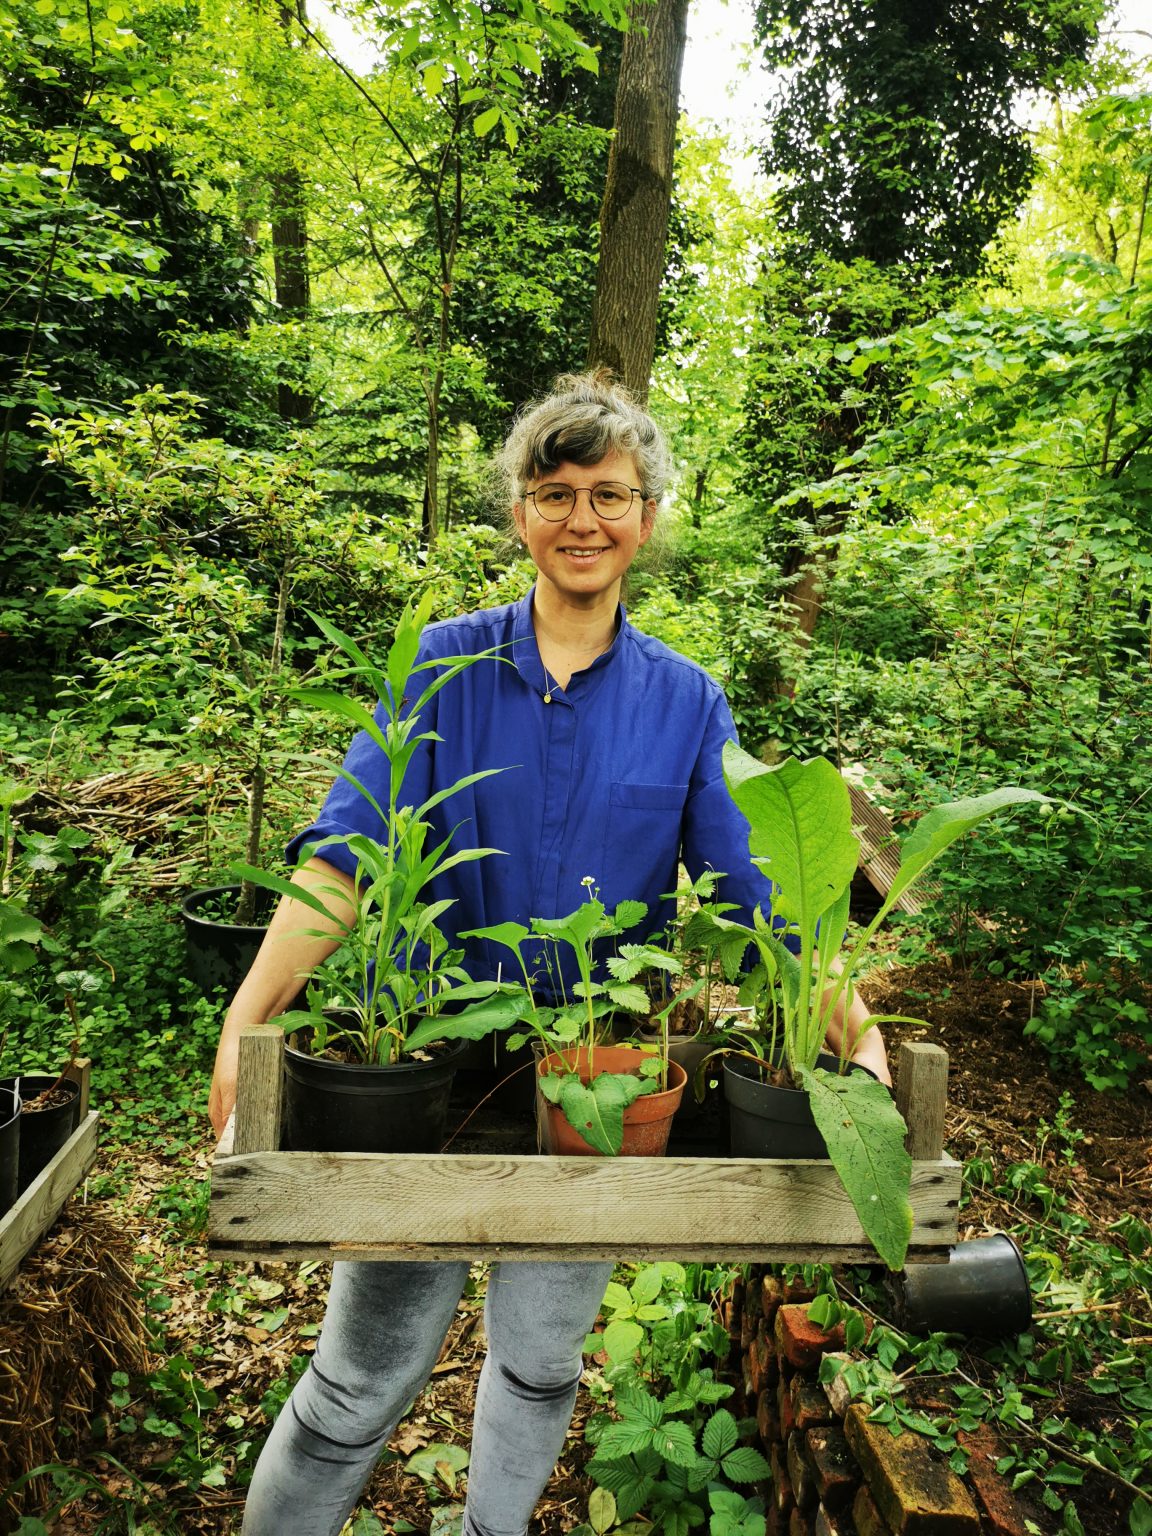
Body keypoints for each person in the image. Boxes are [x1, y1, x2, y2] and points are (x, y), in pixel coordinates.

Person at [208, 372, 889, 1536]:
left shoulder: (688, 703)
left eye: (610, 494)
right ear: (519, 512)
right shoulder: (442, 666)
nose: (584, 518)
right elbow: (344, 856)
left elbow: (765, 902)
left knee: (536, 1370)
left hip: (596, 1090)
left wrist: (862, 1044)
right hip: (424, 1086)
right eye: (556, 491)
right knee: (357, 1382)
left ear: (649, 517)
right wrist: (247, 1019)